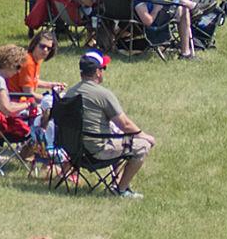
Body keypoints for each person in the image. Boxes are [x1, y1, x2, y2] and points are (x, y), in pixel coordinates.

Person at [55, 50, 153, 198]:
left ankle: (118, 183)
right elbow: (125, 124)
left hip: (73, 151)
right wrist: (145, 136)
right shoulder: (103, 94)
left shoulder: (70, 93)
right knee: (142, 146)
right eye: (102, 69)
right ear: (97, 72)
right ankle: (121, 189)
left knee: (120, 138)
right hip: (96, 152)